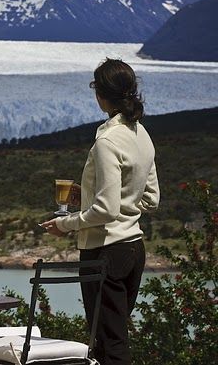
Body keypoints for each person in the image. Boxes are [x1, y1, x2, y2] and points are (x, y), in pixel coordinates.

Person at [40, 58, 160, 365]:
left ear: (101, 94)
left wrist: (66, 224)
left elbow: (106, 210)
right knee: (114, 336)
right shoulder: (141, 135)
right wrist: (108, 200)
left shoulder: (107, 141)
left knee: (109, 344)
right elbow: (151, 199)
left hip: (104, 253)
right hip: (133, 250)